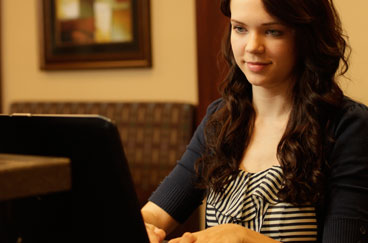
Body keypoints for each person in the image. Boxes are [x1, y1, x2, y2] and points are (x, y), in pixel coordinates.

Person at [141, 0, 368, 242]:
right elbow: (155, 214)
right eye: (240, 28)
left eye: (272, 31)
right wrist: (142, 227)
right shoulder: (221, 119)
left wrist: (241, 237)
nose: (252, 46)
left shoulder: (348, 126)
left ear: (306, 36)